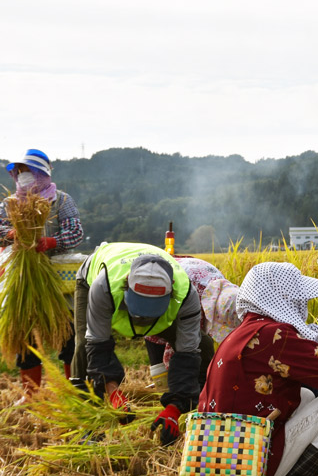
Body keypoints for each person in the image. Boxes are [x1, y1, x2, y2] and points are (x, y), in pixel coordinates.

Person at [198, 262, 318, 476]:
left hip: (216, 470)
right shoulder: (275, 335)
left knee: (306, 395)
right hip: (248, 470)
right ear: (283, 297)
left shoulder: (237, 335)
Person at [75, 242, 216, 444]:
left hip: (161, 296)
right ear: (126, 286)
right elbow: (97, 348)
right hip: (92, 276)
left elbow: (187, 355)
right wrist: (113, 393)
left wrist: (174, 408)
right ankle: (88, 424)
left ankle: (197, 413)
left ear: (170, 295)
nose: (142, 319)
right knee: (82, 348)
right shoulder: (104, 286)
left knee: (202, 345)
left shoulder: (185, 295)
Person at [0, 149, 84, 397]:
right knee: (24, 336)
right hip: (23, 277)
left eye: (30, 171)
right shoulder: (10, 204)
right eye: (21, 171)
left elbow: (75, 233)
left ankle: (74, 391)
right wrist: (12, 234)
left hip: (59, 279)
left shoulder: (61, 200)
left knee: (68, 333)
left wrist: (50, 242)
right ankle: (31, 396)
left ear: (42, 174)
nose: (25, 176)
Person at [145, 256, 241, 389]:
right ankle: (167, 391)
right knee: (183, 340)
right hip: (157, 290)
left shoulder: (224, 291)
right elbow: (185, 342)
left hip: (179, 278)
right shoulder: (194, 297)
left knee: (199, 345)